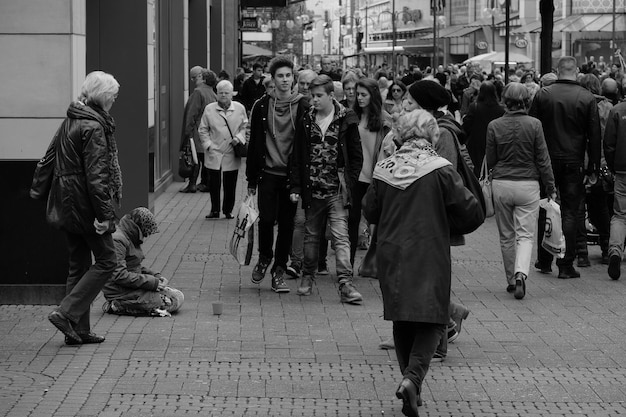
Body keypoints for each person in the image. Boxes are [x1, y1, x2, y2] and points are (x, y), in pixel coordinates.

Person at [363, 109, 484, 417]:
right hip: (428, 249)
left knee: (402, 317)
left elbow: (370, 210)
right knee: (433, 318)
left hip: (391, 251)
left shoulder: (384, 168)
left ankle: (411, 384)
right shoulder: (440, 169)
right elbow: (470, 211)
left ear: (399, 136)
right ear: (432, 136)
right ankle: (412, 379)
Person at [44, 71, 122, 345]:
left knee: (78, 266)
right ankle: (66, 314)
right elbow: (97, 176)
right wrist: (105, 216)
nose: (114, 98)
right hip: (86, 206)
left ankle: (78, 330)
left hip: (66, 203)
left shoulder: (72, 119)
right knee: (107, 261)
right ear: (101, 95)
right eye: (112, 93)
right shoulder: (94, 126)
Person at [289, 75, 364, 303]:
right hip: (313, 190)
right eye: (312, 96)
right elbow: (297, 155)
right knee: (311, 236)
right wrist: (296, 186)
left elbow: (355, 155)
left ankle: (345, 283)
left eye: (319, 96)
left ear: (331, 96)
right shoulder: (306, 119)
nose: (314, 100)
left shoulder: (347, 119)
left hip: (337, 190)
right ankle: (308, 277)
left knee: (341, 237)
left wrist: (349, 182)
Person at [529, 56, 601, 279]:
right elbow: (594, 135)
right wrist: (594, 168)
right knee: (570, 210)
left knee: (546, 207)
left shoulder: (543, 94)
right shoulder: (587, 97)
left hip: (547, 160)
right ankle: (566, 262)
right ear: (576, 71)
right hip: (574, 160)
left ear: (558, 71)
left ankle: (544, 259)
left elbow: (533, 128)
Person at [486, 83, 556, 299]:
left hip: (502, 183)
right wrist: (551, 186)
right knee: (525, 235)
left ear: (505, 100)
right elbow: (543, 159)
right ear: (526, 101)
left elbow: (491, 158)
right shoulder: (535, 124)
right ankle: (521, 274)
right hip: (528, 183)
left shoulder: (494, 126)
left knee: (506, 235)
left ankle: (510, 280)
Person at [246, 56, 310, 293]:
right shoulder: (262, 106)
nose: (285, 80)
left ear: (293, 78)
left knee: (286, 224)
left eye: (288, 76)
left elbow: (306, 147)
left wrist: (301, 182)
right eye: (280, 76)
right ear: (272, 79)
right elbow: (254, 145)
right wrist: (251, 180)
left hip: (291, 176)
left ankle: (279, 270)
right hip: (267, 173)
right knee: (265, 219)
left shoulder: (303, 106)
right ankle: (264, 257)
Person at [102, 208, 184, 316]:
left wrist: (155, 276)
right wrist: (152, 283)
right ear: (139, 228)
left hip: (130, 284)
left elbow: (134, 267)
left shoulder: (129, 237)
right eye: (145, 232)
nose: (146, 236)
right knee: (169, 301)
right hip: (118, 289)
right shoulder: (118, 240)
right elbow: (119, 275)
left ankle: (129, 304)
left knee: (177, 296)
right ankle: (117, 305)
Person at [350, 77, 391, 266]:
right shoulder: (352, 117)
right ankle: (348, 263)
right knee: (352, 220)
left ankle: (375, 263)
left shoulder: (385, 120)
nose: (359, 98)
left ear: (373, 95)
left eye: (363, 95)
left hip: (376, 177)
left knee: (378, 222)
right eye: (357, 94)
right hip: (355, 177)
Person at [198, 80, 248, 219]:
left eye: (227, 93)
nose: (224, 95)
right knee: (214, 184)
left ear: (232, 94)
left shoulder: (239, 108)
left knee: (230, 184)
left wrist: (238, 138)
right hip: (215, 151)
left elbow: (245, 127)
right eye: (221, 93)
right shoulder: (209, 109)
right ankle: (214, 210)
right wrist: (208, 145)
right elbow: (203, 129)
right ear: (217, 94)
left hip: (231, 151)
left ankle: (228, 210)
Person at [577, 73, 613, 265]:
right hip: (602, 163)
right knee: (601, 207)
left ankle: (581, 251)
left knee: (579, 207)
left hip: (581, 162)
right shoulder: (608, 107)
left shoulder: (578, 106)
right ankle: (607, 247)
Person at [180, 66, 217, 193]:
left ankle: (192, 184)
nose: (194, 80)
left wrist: (187, 132)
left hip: (197, 131)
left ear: (200, 77)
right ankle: (206, 183)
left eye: (194, 78)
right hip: (209, 131)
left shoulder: (198, 92)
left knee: (195, 159)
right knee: (204, 158)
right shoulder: (212, 93)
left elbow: (192, 114)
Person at [462, 81, 505, 176]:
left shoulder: (475, 107)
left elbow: (467, 125)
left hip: (476, 141)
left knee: (477, 167)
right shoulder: (500, 110)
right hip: (495, 141)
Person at [605, 97, 626, 279]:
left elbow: (609, 144)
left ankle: (615, 251)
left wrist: (613, 167)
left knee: (620, 215)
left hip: (622, 170)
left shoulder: (617, 110)